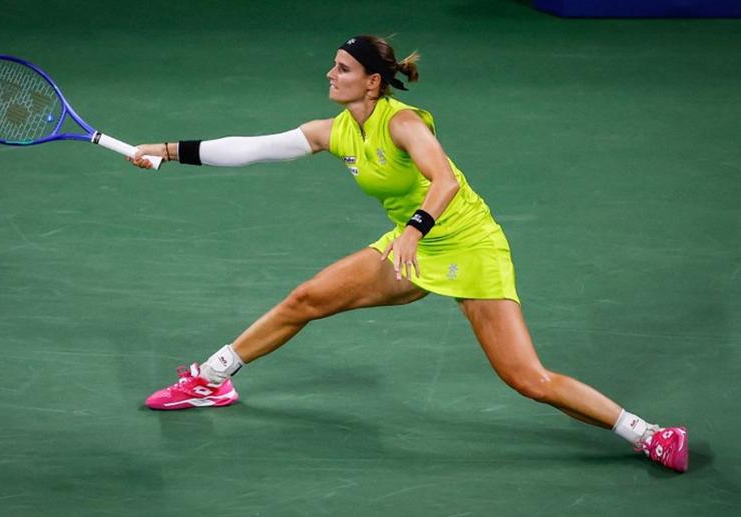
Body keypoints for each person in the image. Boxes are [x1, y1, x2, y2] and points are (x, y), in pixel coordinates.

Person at [129, 35, 688, 472]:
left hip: (467, 246)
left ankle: (650, 435)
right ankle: (212, 377)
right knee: (307, 298)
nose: (330, 73)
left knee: (527, 379)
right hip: (408, 248)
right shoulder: (336, 131)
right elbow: (250, 149)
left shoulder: (403, 123)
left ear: (373, 82)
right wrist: (166, 151)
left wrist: (415, 231)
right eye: (333, 65)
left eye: (343, 68)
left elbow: (442, 180)